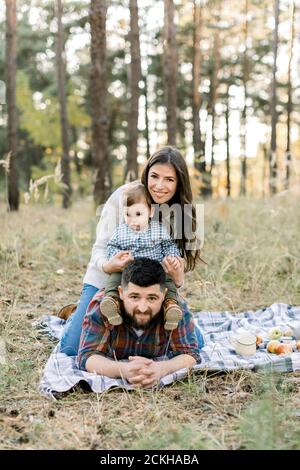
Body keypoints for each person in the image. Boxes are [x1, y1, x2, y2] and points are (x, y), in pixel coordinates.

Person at [60, 146, 202, 356]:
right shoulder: (125, 196)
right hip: (109, 278)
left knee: (196, 343)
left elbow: (174, 263)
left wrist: (178, 279)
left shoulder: (180, 210)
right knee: (72, 348)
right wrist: (110, 265)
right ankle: (76, 313)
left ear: (179, 182)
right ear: (146, 174)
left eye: (169, 179)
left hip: (149, 287)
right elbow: (100, 248)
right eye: (154, 176)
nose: (160, 186)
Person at [78, 258, 202, 389]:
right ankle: (73, 312)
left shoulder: (175, 309)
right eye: (134, 297)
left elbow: (190, 354)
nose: (142, 308)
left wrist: (161, 369)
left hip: (178, 329)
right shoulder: (105, 306)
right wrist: (124, 370)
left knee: (200, 341)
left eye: (152, 298)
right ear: (120, 292)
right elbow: (87, 356)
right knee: (69, 347)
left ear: (164, 295)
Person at [100, 181, 183, 330]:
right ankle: (112, 301)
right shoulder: (121, 231)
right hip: (129, 271)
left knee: (168, 280)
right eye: (128, 214)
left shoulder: (158, 230)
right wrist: (117, 257)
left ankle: (170, 306)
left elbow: (169, 245)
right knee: (114, 278)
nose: (132, 220)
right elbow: (112, 246)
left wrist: (172, 257)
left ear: (150, 212)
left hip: (155, 271)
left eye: (138, 214)